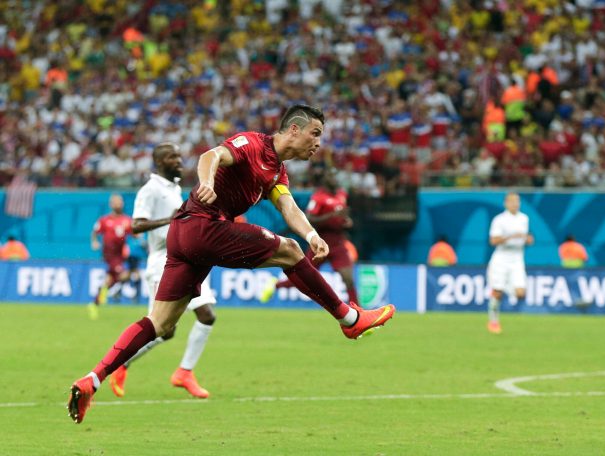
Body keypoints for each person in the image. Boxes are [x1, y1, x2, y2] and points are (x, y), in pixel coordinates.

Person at [67, 104, 396, 424]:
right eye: (315, 133)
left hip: (183, 236)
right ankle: (350, 318)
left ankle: (92, 379)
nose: (318, 143)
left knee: (161, 323)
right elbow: (210, 156)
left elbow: (288, 207)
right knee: (290, 252)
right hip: (203, 226)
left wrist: (312, 235)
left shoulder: (277, 172)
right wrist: (207, 182)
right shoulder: (253, 144)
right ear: (294, 129)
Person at [109, 143, 216, 400]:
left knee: (204, 316)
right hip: (162, 264)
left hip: (186, 260)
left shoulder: (175, 189)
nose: (178, 159)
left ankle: (184, 372)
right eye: (171, 156)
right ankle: (120, 364)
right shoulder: (151, 190)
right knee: (162, 329)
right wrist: (172, 220)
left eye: (179, 155)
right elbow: (136, 225)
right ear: (158, 162)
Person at [262, 168, 359, 304]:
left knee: (348, 279)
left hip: (338, 243)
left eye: (337, 177)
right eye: (332, 177)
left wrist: (346, 221)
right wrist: (331, 216)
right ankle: (276, 285)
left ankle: (359, 312)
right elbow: (310, 218)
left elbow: (341, 215)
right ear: (326, 180)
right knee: (305, 277)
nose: (335, 180)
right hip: (320, 242)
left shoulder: (341, 195)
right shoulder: (318, 197)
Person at [486, 192, 533, 334]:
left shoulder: (524, 218)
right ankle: (493, 321)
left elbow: (525, 239)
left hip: (517, 258)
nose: (515, 204)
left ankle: (505, 287)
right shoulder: (499, 220)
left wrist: (528, 240)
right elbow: (493, 241)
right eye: (512, 202)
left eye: (517, 201)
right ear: (506, 203)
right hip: (501, 258)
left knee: (520, 293)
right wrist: (511, 237)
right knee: (497, 292)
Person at [89, 194, 133, 318]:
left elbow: (135, 236)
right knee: (124, 275)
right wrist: (95, 241)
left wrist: (131, 246)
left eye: (120, 201)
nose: (118, 204)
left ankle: (95, 302)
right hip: (109, 254)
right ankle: (114, 292)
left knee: (110, 279)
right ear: (111, 204)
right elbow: (94, 232)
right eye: (115, 202)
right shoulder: (104, 220)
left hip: (120, 254)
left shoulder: (127, 220)